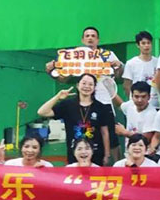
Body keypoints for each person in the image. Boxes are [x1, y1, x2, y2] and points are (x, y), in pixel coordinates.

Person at [45, 26, 122, 162]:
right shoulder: (72, 57)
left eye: (93, 36)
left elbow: (118, 76)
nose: (90, 38)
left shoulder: (108, 55)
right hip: (83, 102)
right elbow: (63, 79)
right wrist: (51, 71)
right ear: (82, 39)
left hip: (104, 101)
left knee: (111, 138)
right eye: (87, 36)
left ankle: (117, 167)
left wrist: (119, 66)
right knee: (80, 135)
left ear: (98, 40)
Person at [37, 74, 111, 165]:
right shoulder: (67, 105)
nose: (87, 86)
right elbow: (42, 112)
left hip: (96, 154)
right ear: (77, 85)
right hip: (74, 153)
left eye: (90, 84)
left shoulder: (101, 107)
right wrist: (57, 97)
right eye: (84, 83)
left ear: (94, 87)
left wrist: (107, 154)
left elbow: (104, 132)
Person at [112, 81, 157, 147]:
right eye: (136, 96)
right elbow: (119, 105)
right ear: (132, 96)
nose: (139, 100)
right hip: (128, 150)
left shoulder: (152, 113)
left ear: (149, 97)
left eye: (143, 96)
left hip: (142, 151)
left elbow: (146, 139)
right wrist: (110, 90)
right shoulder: (130, 105)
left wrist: (124, 132)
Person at [122, 31, 159, 108]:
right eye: (143, 43)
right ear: (138, 45)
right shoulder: (131, 63)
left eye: (148, 43)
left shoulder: (158, 62)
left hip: (154, 104)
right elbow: (127, 85)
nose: (146, 46)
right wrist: (133, 101)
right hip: (136, 105)